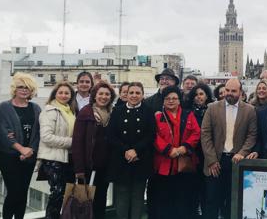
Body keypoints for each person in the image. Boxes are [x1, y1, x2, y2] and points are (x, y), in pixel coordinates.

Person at [201, 78, 257, 219]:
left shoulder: (250, 110)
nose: (229, 93)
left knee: (232, 202)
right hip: (215, 162)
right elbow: (205, 135)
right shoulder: (212, 108)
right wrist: (212, 160)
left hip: (237, 162)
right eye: (227, 90)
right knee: (212, 201)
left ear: (240, 92)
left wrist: (242, 153)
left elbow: (252, 135)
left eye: (233, 91)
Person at [150, 86, 201, 218]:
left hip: (184, 165)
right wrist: (169, 150)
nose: (171, 101)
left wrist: (183, 148)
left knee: (183, 200)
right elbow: (154, 136)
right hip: (164, 165)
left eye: (174, 98)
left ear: (179, 100)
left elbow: (196, 133)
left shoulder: (188, 115)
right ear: (163, 101)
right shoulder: (158, 117)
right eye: (167, 98)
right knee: (164, 201)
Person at [0, 73, 41, 219]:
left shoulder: (35, 108)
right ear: (14, 89)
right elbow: (3, 133)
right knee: (14, 192)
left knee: (23, 192)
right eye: (20, 87)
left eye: (27, 87)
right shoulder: (4, 107)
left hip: (29, 157)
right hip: (9, 157)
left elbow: (38, 133)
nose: (24, 90)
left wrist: (31, 150)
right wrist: (21, 148)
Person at [108, 82, 155, 219]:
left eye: (137, 93)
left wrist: (136, 151)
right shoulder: (117, 111)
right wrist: (126, 150)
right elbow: (111, 135)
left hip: (141, 160)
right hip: (121, 160)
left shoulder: (148, 111)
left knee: (138, 196)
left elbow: (151, 135)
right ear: (126, 94)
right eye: (131, 93)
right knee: (121, 196)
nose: (134, 96)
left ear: (142, 95)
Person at [72, 81, 116, 219]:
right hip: (88, 167)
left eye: (107, 94)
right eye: (101, 93)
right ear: (94, 96)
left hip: (105, 167)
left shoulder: (112, 114)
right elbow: (77, 142)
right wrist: (79, 169)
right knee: (84, 204)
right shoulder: (86, 112)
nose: (104, 97)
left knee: (100, 201)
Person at [38, 81, 77, 219]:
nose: (64, 95)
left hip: (68, 158)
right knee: (57, 193)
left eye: (67, 93)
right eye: (60, 92)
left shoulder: (70, 111)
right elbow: (46, 137)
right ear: (55, 94)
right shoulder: (50, 111)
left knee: (67, 194)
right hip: (53, 158)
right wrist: (72, 143)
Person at [186, 83, 214, 218]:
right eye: (196, 95)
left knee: (207, 190)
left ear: (207, 96)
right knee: (192, 189)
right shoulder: (188, 112)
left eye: (201, 94)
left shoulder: (212, 110)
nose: (198, 97)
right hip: (192, 154)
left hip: (208, 155)